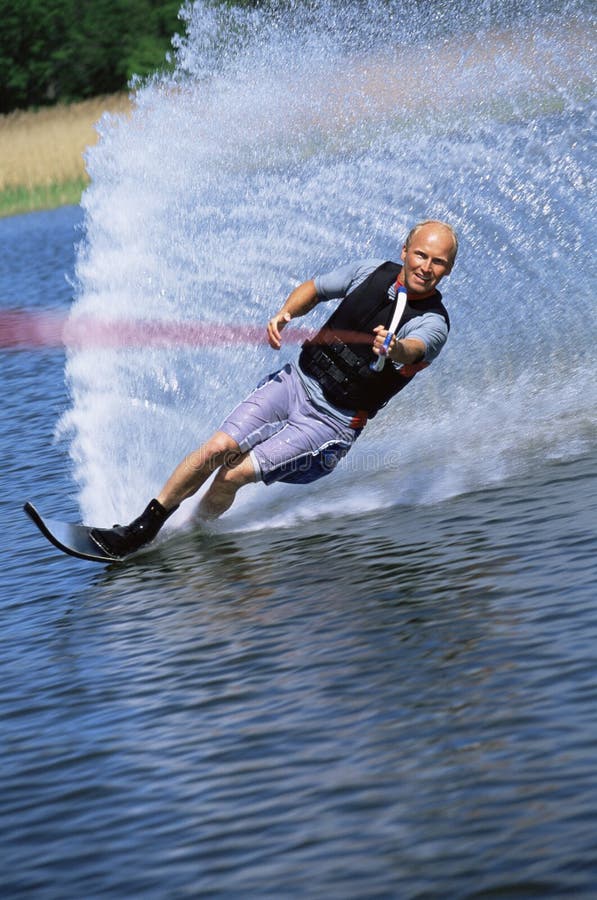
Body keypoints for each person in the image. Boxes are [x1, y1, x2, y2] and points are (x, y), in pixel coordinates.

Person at [90, 219, 458, 558]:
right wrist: (286, 313)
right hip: (295, 382)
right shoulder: (369, 272)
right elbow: (314, 289)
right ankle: (142, 529)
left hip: (332, 424)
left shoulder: (434, 323)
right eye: (420, 255)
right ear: (405, 251)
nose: (426, 267)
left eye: (438, 262)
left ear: (448, 269)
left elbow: (415, 348)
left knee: (233, 473)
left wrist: (394, 348)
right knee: (218, 449)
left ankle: (193, 533)